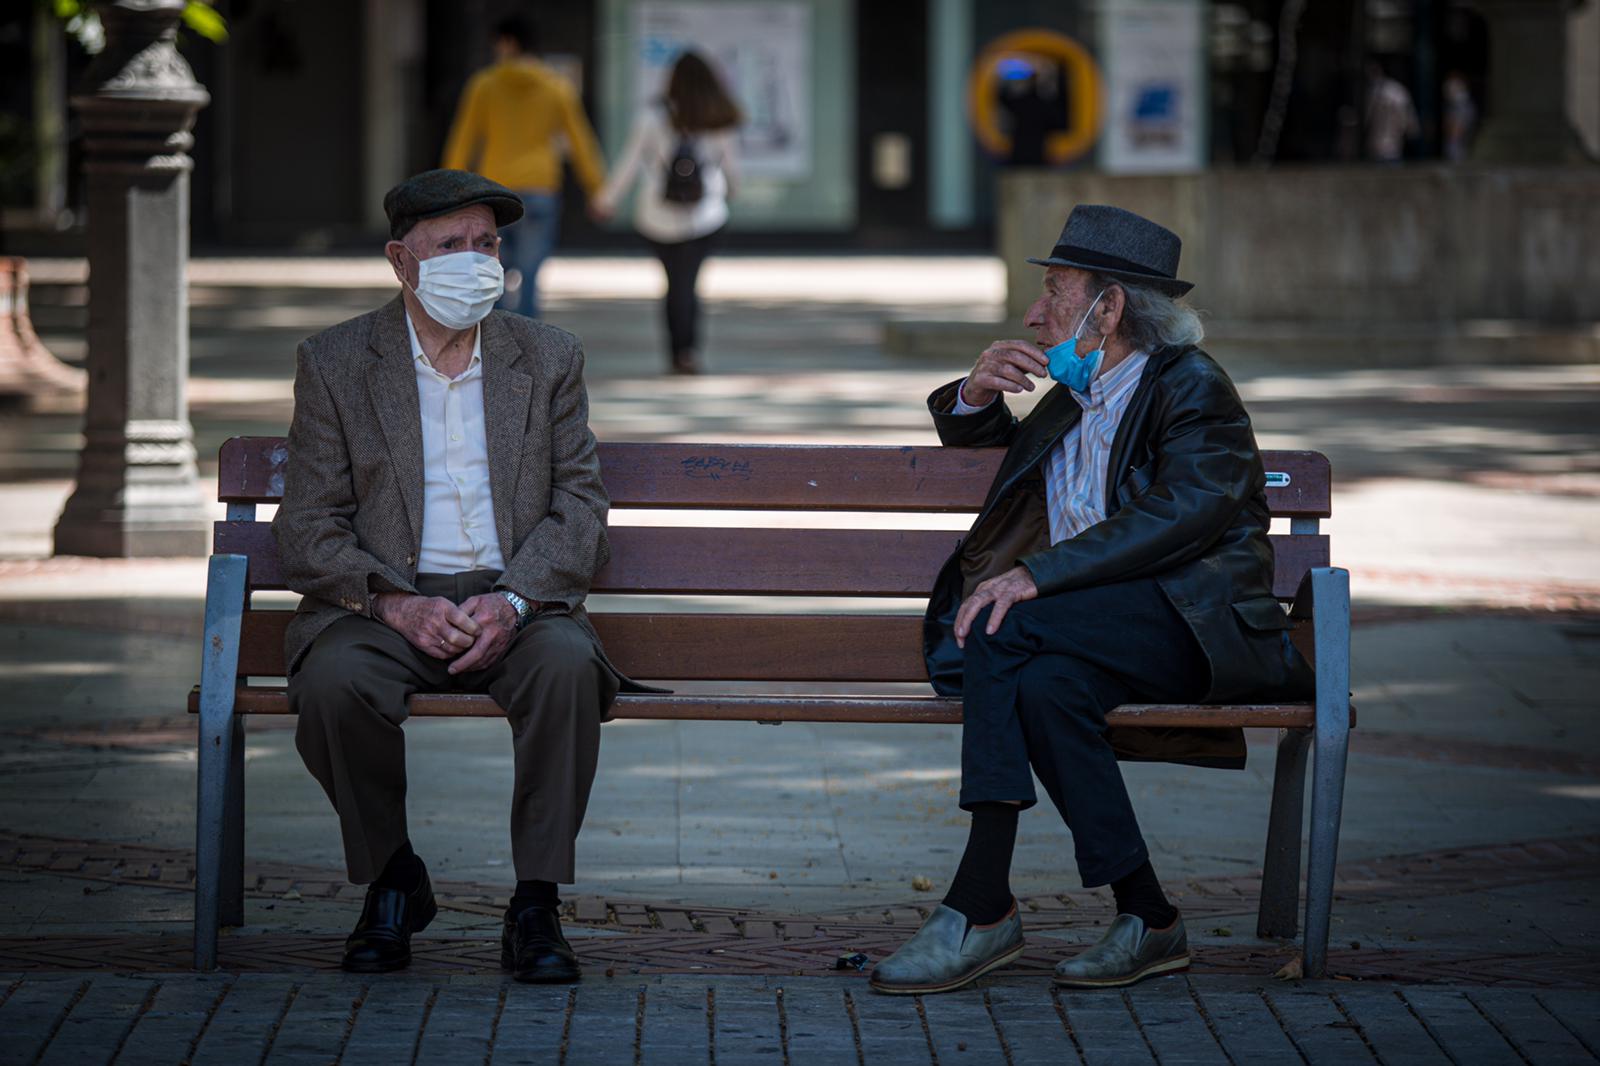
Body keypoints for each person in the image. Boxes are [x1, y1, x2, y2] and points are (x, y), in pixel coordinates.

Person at [869, 205, 1314, 995]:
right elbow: (1007, 468)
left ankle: (980, 903)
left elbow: (1182, 511)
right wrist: (972, 396)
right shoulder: (1076, 395)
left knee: (1006, 629)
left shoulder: (1193, 388)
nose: (1036, 314)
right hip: (1101, 631)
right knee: (1045, 687)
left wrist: (1038, 575)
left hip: (1192, 625)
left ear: (1109, 309)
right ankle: (1150, 916)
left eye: (1056, 292)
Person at [274, 169, 645, 982]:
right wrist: (395, 604)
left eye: (488, 245)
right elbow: (304, 525)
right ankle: (393, 878)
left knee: (565, 668)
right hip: (385, 604)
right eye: (451, 247)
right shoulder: (336, 362)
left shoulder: (546, 357)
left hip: (515, 597)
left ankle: (536, 903)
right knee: (333, 682)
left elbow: (581, 509)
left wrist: (514, 599)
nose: (476, 262)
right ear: (402, 261)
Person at [442, 16, 606, 319]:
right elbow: (581, 141)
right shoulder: (556, 87)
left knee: (493, 269)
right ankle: (529, 341)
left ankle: (498, 336)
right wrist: (597, 189)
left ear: (507, 43)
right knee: (531, 273)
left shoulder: (483, 85)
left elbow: (462, 140)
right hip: (541, 189)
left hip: (493, 191)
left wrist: (448, 189)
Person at [593, 51, 741, 374]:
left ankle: (678, 352)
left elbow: (629, 162)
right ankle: (687, 352)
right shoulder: (719, 119)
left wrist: (607, 199)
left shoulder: (652, 117)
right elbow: (732, 170)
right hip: (706, 216)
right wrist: (732, 188)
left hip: (657, 217)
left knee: (675, 283)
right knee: (688, 284)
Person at [1364, 59, 1419, 163]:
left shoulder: (1396, 91)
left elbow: (1406, 117)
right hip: (1379, 143)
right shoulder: (1373, 91)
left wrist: (1409, 129)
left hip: (1391, 142)